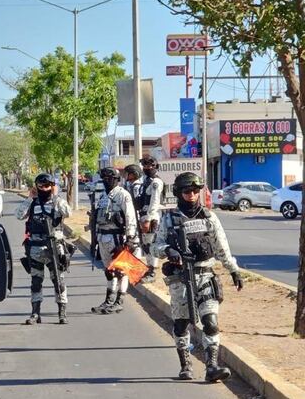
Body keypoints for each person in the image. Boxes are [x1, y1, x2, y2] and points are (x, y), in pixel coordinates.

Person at [152, 172, 244, 382]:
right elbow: (154, 247)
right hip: (180, 280)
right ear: (178, 193)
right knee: (181, 324)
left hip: (205, 276)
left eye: (195, 190)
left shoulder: (209, 217)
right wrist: (168, 251)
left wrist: (233, 270)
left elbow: (222, 247)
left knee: (210, 321)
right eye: (187, 191)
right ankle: (185, 365)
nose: (192, 195)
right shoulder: (169, 218)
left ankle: (212, 366)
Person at [15, 173, 72, 325]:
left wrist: (56, 196)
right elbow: (19, 215)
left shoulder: (57, 202)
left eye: (47, 185)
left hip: (54, 247)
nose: (44, 188)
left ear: (52, 186)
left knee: (58, 281)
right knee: (35, 282)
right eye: (41, 186)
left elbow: (68, 212)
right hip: (35, 247)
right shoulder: (32, 203)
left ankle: (62, 312)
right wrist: (29, 198)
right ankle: (35, 313)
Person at [91, 167, 138, 315]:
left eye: (109, 178)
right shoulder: (103, 197)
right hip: (103, 237)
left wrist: (130, 238)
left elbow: (130, 216)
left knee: (121, 271)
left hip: (117, 237)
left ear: (117, 179)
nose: (106, 181)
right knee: (109, 271)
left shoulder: (123, 195)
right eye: (104, 178)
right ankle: (108, 301)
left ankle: (119, 301)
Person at [136, 155, 165, 283]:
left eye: (150, 165)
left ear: (155, 166)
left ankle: (152, 271)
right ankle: (148, 268)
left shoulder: (155, 182)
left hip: (152, 217)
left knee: (151, 244)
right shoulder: (146, 181)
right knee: (146, 244)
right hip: (144, 215)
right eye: (145, 165)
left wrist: (148, 218)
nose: (147, 168)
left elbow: (154, 202)